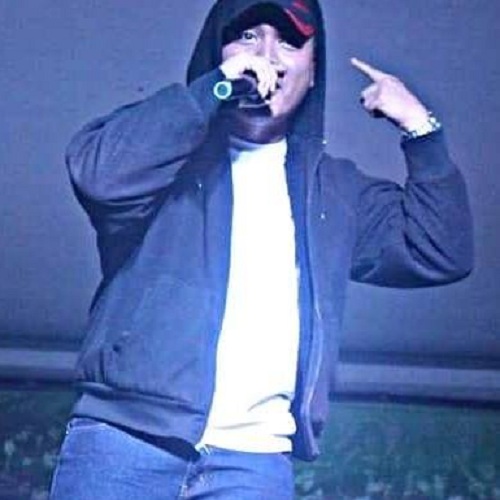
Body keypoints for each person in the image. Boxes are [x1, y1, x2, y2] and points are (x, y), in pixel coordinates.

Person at [49, 0, 473, 498]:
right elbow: (99, 175)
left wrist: (421, 129)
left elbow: (439, 250)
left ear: (312, 74)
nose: (267, 55)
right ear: (218, 53)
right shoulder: (164, 160)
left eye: (289, 42)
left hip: (253, 461)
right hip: (127, 440)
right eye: (248, 36)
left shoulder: (334, 192)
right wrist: (216, 87)